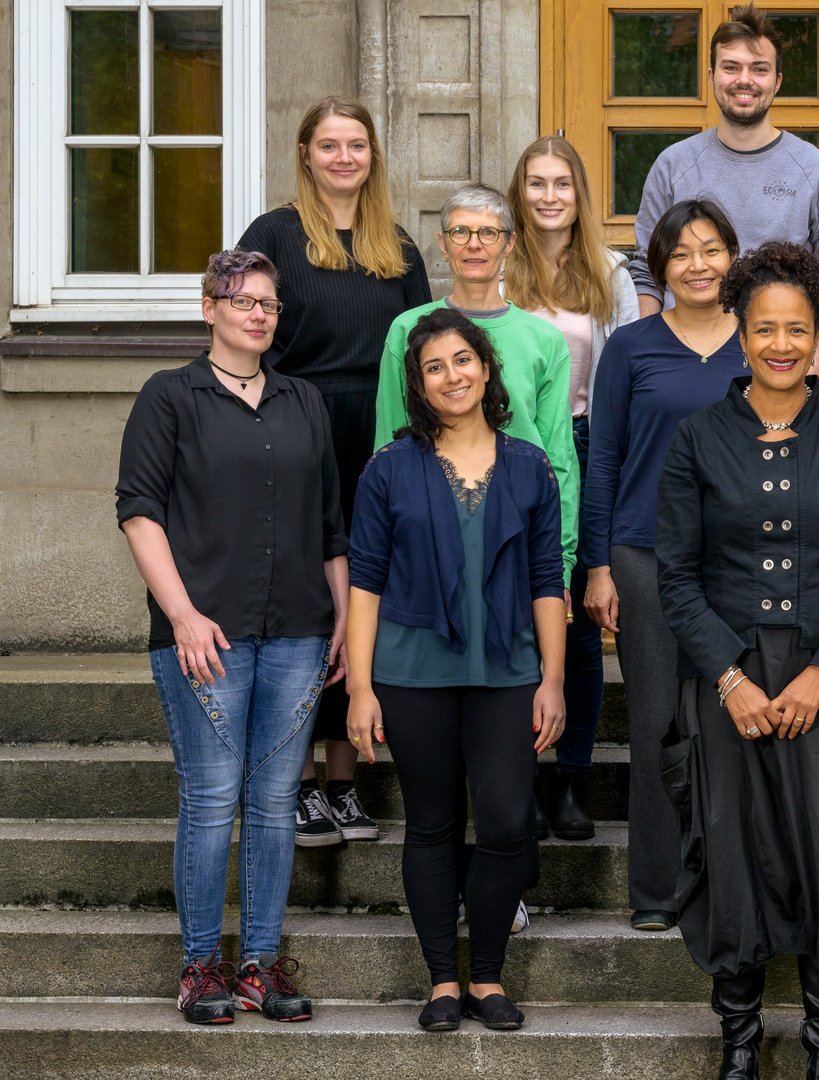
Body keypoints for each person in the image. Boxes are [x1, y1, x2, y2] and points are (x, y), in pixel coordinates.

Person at [657, 242, 819, 1080]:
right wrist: (728, 678)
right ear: (740, 331)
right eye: (765, 328)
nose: (781, 345)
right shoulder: (696, 440)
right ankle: (739, 1043)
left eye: (797, 330)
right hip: (727, 683)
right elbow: (676, 575)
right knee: (732, 856)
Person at [116, 248, 342, 1025]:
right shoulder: (169, 398)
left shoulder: (303, 401)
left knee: (277, 800)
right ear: (208, 308)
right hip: (202, 633)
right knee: (212, 797)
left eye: (268, 304)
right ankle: (200, 966)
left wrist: (341, 616)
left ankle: (260, 966)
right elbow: (139, 513)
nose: (256, 313)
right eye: (240, 300)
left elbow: (330, 527)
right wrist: (181, 614)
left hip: (298, 631)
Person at [344, 307, 570, 1033]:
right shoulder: (387, 469)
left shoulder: (531, 466)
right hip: (412, 674)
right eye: (434, 366)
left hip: (508, 673)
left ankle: (488, 978)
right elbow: (365, 584)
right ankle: (443, 980)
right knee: (432, 824)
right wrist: (359, 687)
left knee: (506, 824)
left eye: (462, 360)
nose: (452, 376)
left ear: (486, 368)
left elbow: (546, 581)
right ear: (418, 382)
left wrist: (554, 679)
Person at [237, 96, 431, 849]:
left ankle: (344, 783)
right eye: (330, 145)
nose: (344, 157)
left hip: (379, 438)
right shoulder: (275, 235)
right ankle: (296, 782)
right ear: (306, 154)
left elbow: (421, 346)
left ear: (372, 155)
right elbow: (250, 329)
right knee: (307, 601)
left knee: (364, 596)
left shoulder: (399, 246)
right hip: (297, 429)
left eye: (357, 144)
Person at [584, 199, 747, 932]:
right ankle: (655, 890)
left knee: (733, 715)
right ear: (660, 268)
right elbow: (606, 458)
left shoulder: (761, 343)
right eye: (681, 254)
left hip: (741, 562)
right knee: (655, 719)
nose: (698, 265)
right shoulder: (632, 347)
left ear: (732, 258)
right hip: (644, 554)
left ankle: (730, 879)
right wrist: (597, 565)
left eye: (711, 250)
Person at [504, 136, 640, 842]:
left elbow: (625, 375)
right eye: (536, 183)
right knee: (523, 615)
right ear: (519, 191)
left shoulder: (609, 271)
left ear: (578, 192)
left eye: (562, 182)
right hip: (510, 454)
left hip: (587, 447)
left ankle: (571, 781)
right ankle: (521, 777)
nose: (549, 196)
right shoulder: (499, 264)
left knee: (583, 621)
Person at [628, 3, 819, 377]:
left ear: (778, 81)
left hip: (779, 367)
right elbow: (646, 270)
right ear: (711, 75)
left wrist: (809, 374)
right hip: (682, 364)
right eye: (731, 67)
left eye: (759, 69)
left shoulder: (816, 170)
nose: (745, 80)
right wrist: (651, 357)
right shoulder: (672, 166)